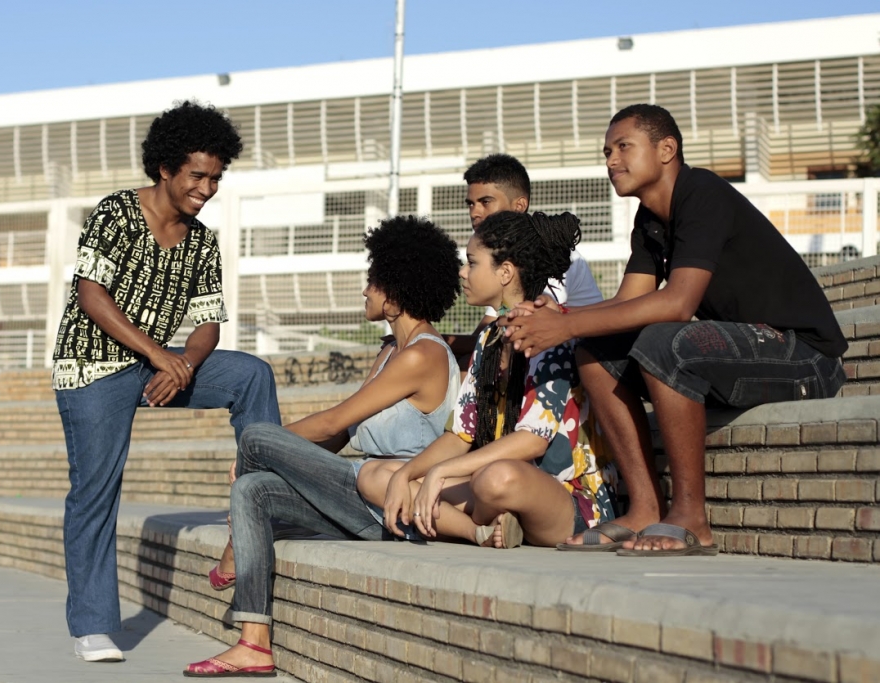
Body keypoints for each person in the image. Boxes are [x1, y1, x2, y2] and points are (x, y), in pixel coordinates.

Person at [507, 104, 847, 556]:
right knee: (595, 353)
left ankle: (691, 515)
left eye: (623, 147)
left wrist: (562, 327)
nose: (610, 160)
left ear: (667, 149)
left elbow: (677, 302)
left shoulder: (701, 193)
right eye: (606, 151)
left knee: (665, 339)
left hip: (805, 357)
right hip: (747, 352)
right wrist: (561, 319)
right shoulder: (649, 220)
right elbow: (630, 301)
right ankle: (646, 507)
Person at [183, 215, 463, 677]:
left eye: (372, 280)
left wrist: (262, 445)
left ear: (394, 291)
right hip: (356, 496)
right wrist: (273, 459)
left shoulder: (423, 354)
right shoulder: (391, 350)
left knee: (254, 436)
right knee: (251, 490)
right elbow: (340, 435)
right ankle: (254, 641)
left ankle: (234, 550)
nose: (365, 291)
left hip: (388, 507)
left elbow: (335, 419)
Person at [51, 101, 280, 662]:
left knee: (251, 374)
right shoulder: (116, 214)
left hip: (157, 365)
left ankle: (266, 504)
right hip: (93, 365)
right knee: (95, 491)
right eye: (198, 175)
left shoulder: (202, 240)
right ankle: (93, 625)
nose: (207, 188)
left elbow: (207, 323)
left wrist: (185, 365)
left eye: (216, 178)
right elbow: (90, 294)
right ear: (165, 169)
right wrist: (160, 355)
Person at [367, 210, 616, 551]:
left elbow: (533, 440)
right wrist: (406, 474)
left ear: (505, 272)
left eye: (471, 263)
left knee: (495, 478)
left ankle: (483, 522)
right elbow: (459, 435)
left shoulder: (546, 334)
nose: (462, 272)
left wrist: (440, 474)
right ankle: (485, 530)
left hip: (568, 500)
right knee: (377, 477)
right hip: (493, 487)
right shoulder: (488, 340)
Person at [446, 154, 603, 365]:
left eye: (485, 202)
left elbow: (524, 329)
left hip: (577, 366)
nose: (475, 212)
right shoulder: (501, 262)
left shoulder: (550, 255)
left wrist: (427, 342)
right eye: (471, 204)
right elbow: (489, 333)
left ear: (520, 206)